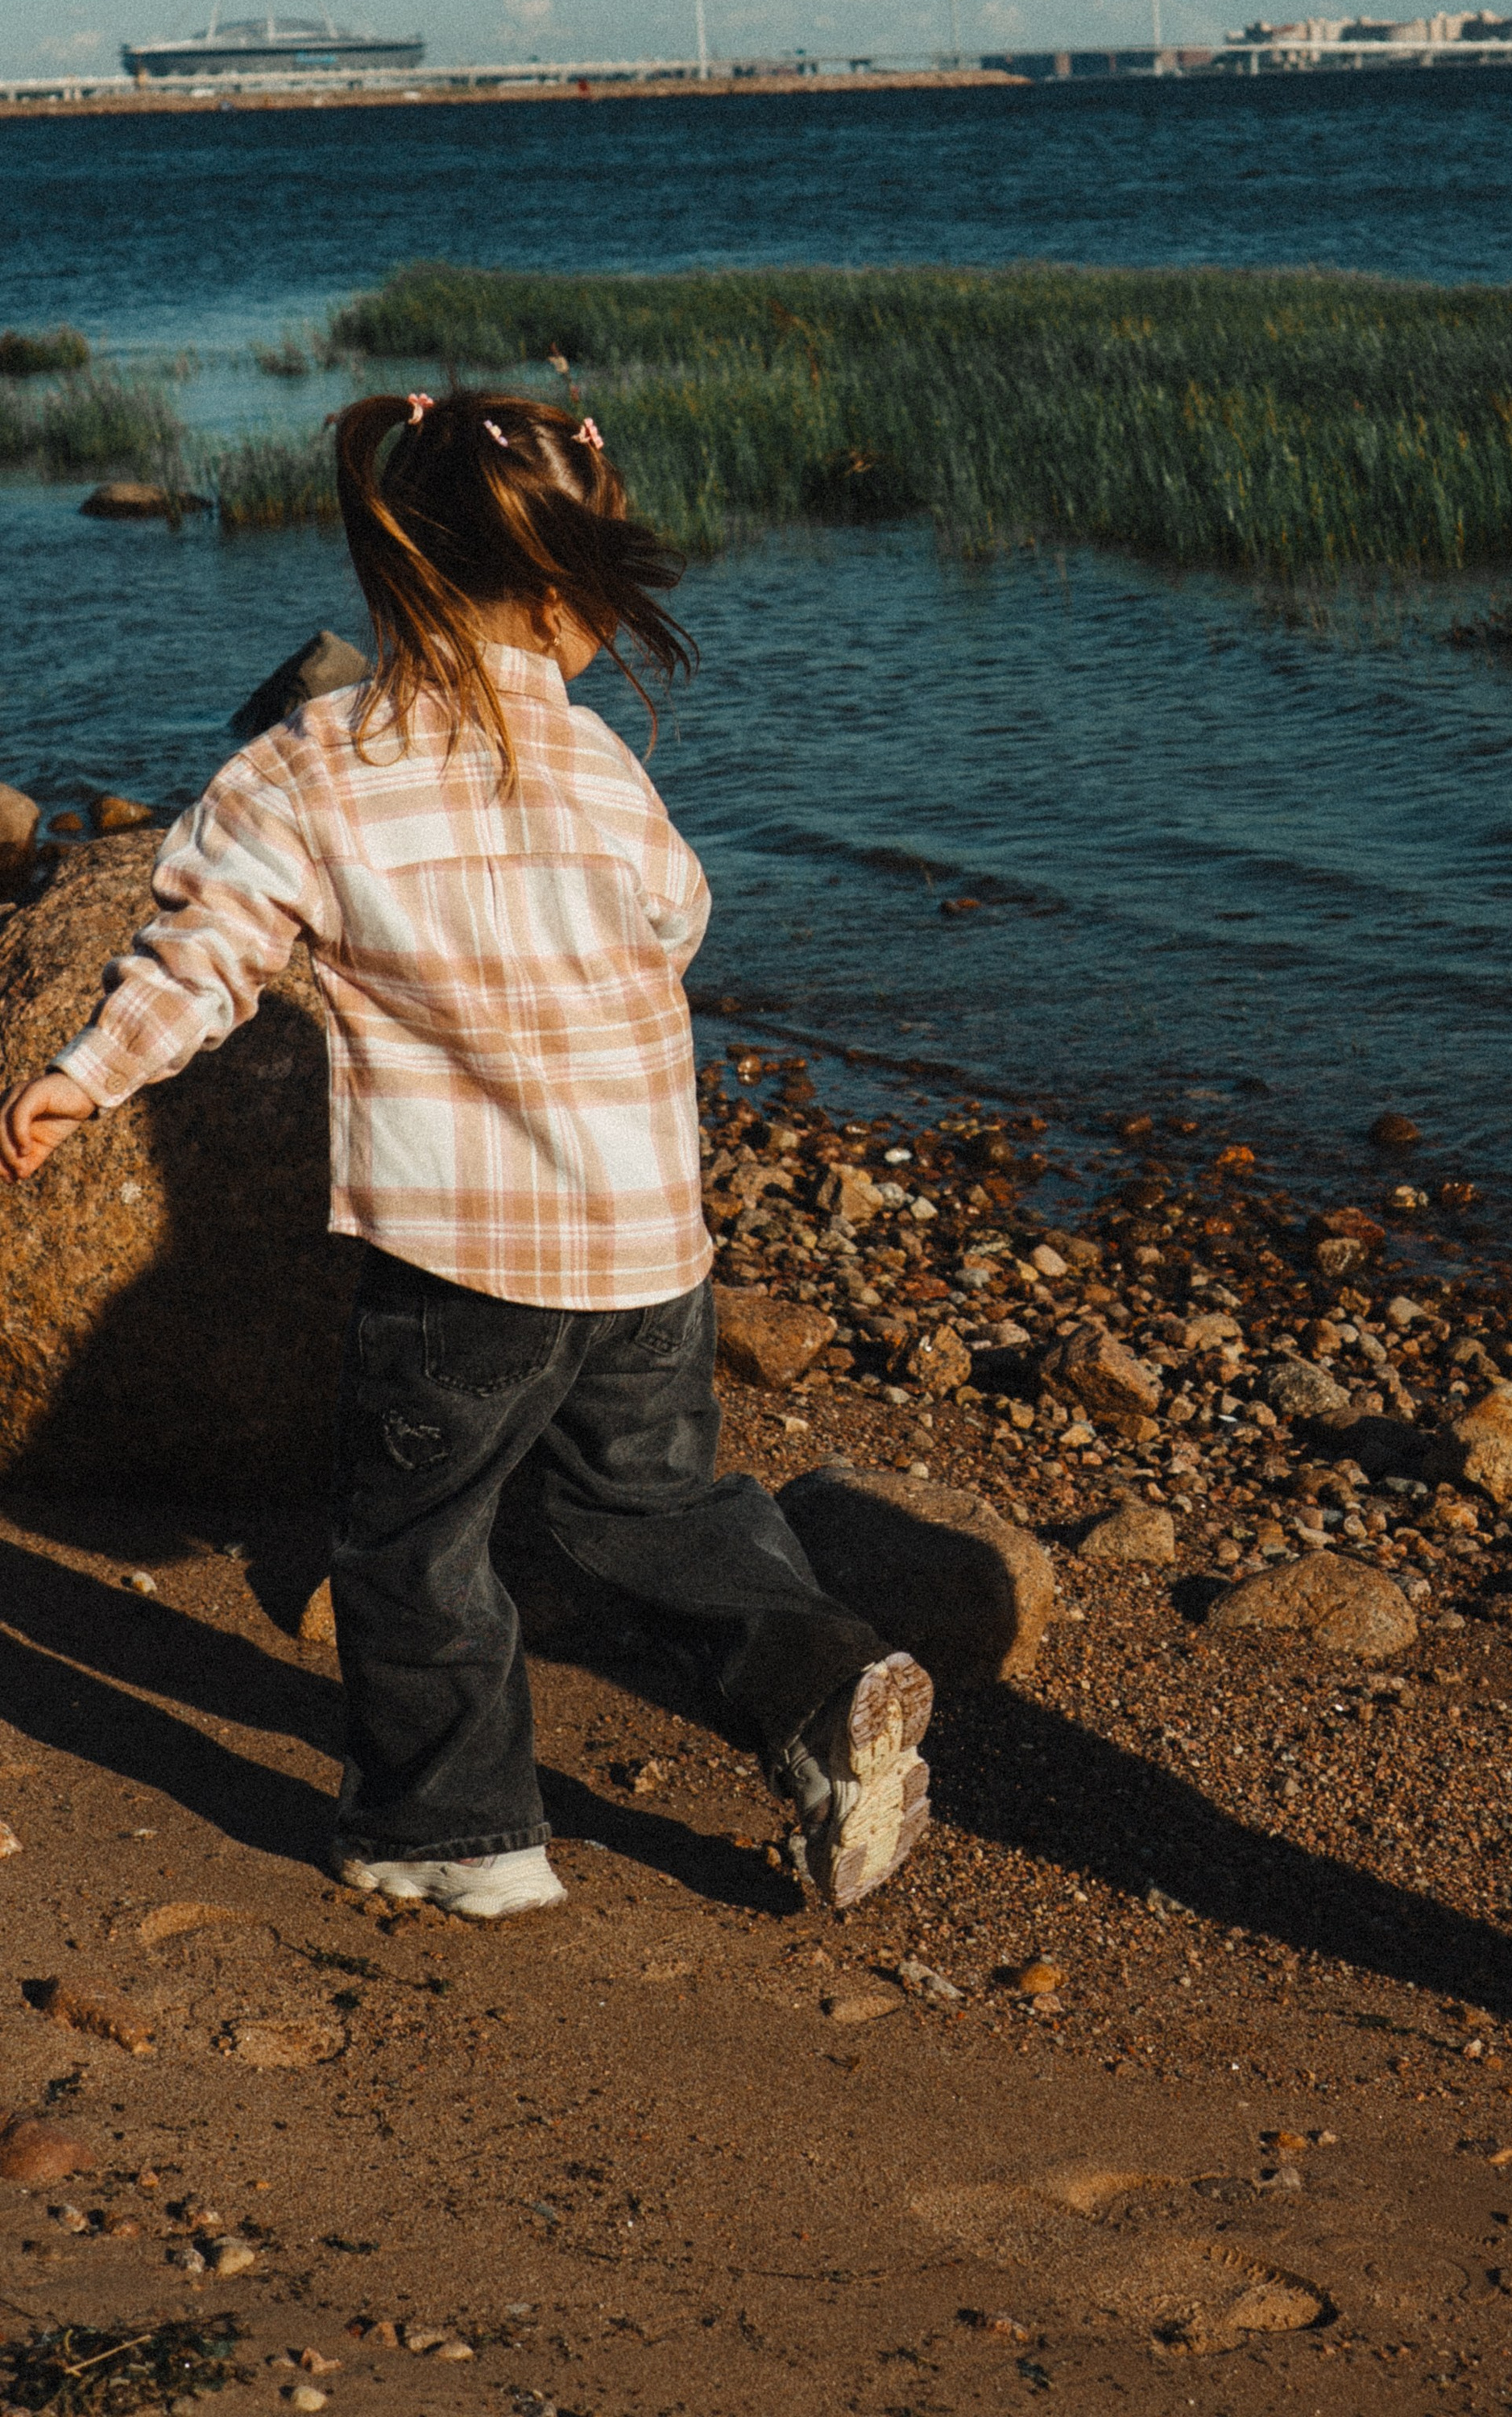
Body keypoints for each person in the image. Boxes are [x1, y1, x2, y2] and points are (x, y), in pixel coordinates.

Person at [0, 389, 930, 1922]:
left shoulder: (314, 761)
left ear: (398, 579)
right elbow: (679, 919)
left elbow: (203, 952)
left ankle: (457, 1834)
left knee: (411, 1540)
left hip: (466, 1259)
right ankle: (826, 1683)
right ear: (559, 597)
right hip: (647, 1238)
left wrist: (85, 1078)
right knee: (649, 1509)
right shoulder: (599, 767)